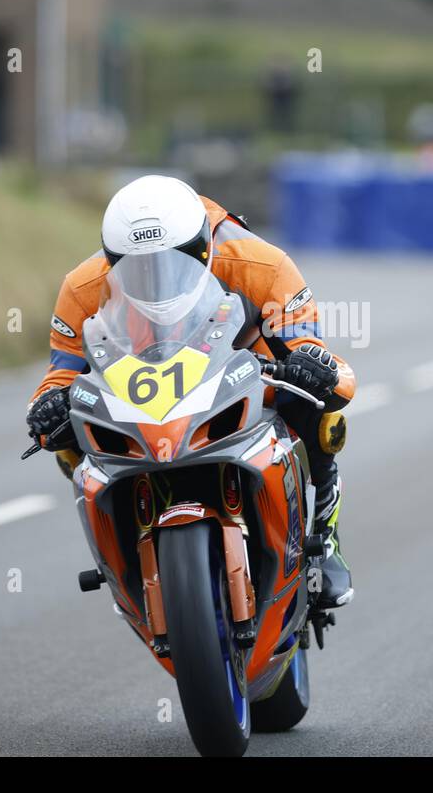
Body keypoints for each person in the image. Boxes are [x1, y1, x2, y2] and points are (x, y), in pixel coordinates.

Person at [25, 175, 356, 608]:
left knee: (320, 409)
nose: (157, 276)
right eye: (138, 266)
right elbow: (61, 373)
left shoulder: (261, 264)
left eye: (174, 260)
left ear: (203, 245)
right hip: (138, 396)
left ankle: (324, 540)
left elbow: (308, 345)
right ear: (112, 259)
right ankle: (118, 556)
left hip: (244, 378)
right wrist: (46, 405)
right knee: (67, 439)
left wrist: (310, 365)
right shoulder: (83, 288)